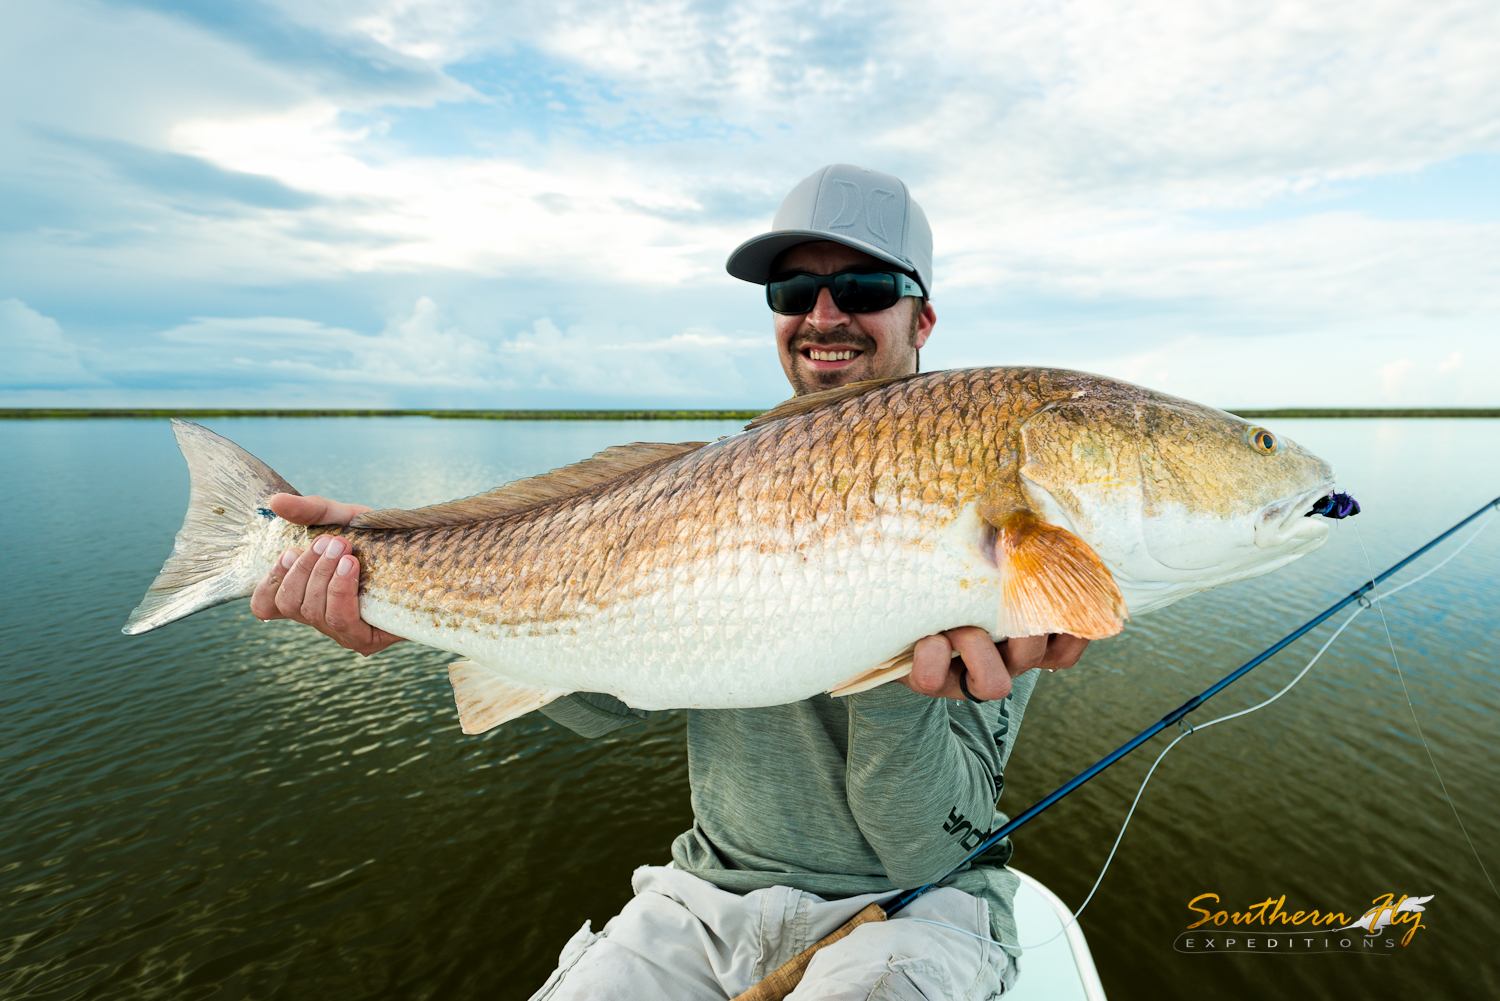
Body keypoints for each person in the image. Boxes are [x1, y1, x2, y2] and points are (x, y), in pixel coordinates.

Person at [250, 164, 1089, 1000]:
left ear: (923, 316)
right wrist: (407, 597)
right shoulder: (701, 482)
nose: (822, 315)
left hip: (922, 910)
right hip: (703, 897)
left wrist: (903, 674)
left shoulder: (998, 505)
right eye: (792, 289)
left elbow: (928, 848)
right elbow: (612, 701)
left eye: (863, 284)